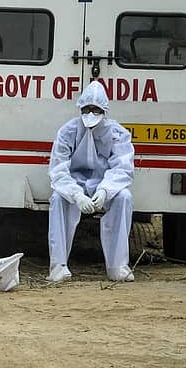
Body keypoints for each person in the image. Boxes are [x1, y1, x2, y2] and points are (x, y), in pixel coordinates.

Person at [47, 80, 135, 282]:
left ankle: (118, 265)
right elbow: (58, 169)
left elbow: (123, 167)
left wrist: (105, 190)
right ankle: (58, 265)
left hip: (104, 185)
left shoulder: (118, 133)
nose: (91, 114)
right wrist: (76, 194)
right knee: (57, 199)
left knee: (124, 197)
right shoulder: (67, 131)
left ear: (104, 110)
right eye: (87, 109)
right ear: (80, 108)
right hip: (75, 184)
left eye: (96, 109)